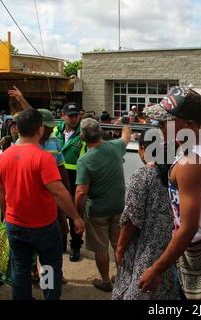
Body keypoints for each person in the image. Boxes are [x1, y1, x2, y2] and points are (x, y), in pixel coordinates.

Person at [140, 86, 201, 300]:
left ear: (189, 125)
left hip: (196, 251)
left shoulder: (189, 164)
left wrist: (156, 269)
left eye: (166, 121)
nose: (159, 125)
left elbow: (189, 228)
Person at [0, 109, 85, 300]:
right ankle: (49, 297)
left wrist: (6, 217)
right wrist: (75, 218)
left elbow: (2, 195)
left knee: (19, 268)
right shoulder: (43, 158)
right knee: (49, 267)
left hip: (15, 224)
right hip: (43, 226)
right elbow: (59, 192)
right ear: (40, 129)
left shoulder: (3, 158)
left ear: (17, 129)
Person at [113, 130, 180, 300]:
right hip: (168, 252)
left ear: (142, 150)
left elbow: (131, 220)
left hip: (144, 253)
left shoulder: (142, 176)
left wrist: (120, 247)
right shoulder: (176, 174)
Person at [75, 118, 131, 292]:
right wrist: (125, 124)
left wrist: (78, 216)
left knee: (100, 248)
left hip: (97, 212)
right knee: (118, 244)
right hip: (118, 207)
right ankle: (122, 279)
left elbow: (81, 192)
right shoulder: (115, 147)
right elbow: (126, 136)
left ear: (82, 139)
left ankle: (106, 281)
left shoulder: (84, 161)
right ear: (101, 133)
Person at [54, 102, 86, 261]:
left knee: (75, 213)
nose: (74, 119)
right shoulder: (55, 130)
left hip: (76, 177)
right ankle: (61, 241)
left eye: (76, 115)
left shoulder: (83, 132)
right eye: (71, 116)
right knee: (58, 212)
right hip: (57, 176)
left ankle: (75, 246)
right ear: (63, 116)